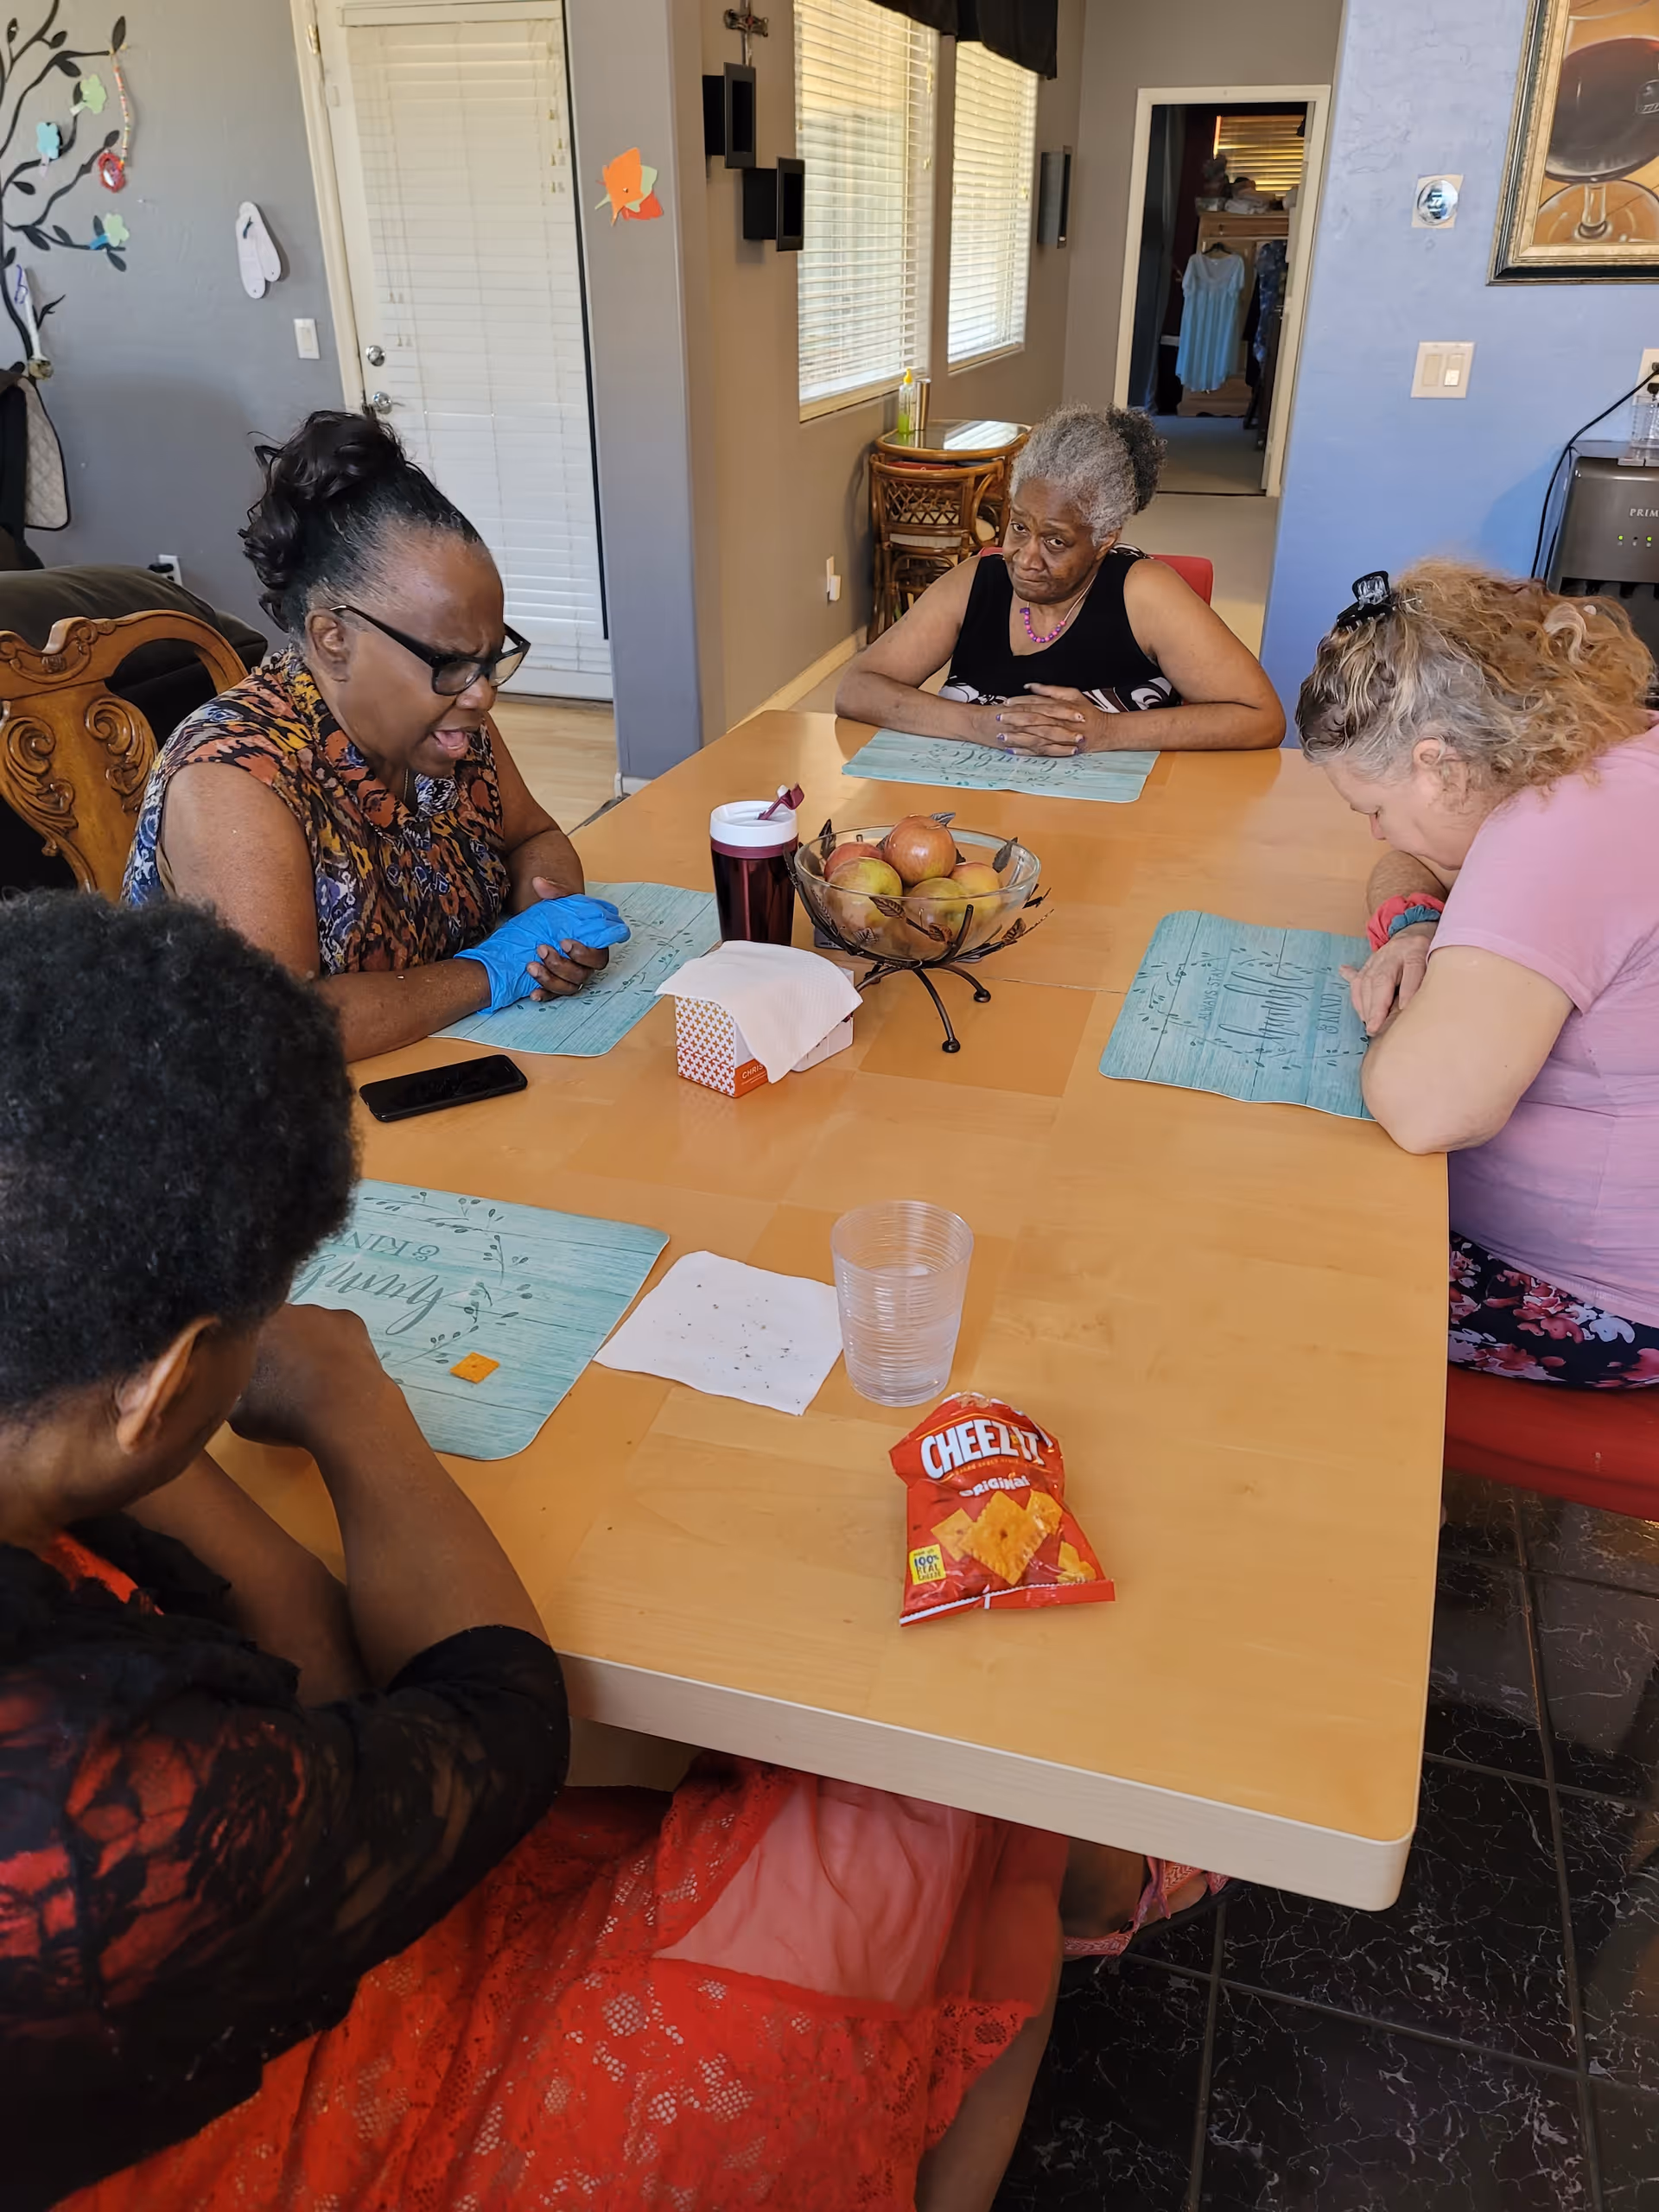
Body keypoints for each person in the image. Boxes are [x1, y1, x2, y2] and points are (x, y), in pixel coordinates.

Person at [0, 893, 1220, 2212]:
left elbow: (292, 1643)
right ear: (169, 1382)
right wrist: (356, 1407)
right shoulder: (86, 1808)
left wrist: (134, 1447)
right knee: (917, 1771)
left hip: (229, 1922)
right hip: (277, 2132)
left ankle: (1045, 1907)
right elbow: (496, 1730)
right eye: (260, 1312)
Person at [123, 409, 629, 1063]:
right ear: (334, 640)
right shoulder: (234, 778)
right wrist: (493, 969)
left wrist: (551, 928)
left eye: (489, 658)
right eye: (449, 662)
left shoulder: (444, 723)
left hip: (435, 1066)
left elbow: (532, 836)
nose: (483, 693)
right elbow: (282, 1026)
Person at [1299, 561, 1659, 1389]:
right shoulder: (1590, 752)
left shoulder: (1552, 833)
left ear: (1439, 765)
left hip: (1596, 1296)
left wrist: (1407, 1023)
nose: (1375, 832)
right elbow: (1406, 863)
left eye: (1374, 806)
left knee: (1274, 1258)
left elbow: (1425, 1110)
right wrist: (1421, 924)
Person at [835, 403, 1283, 754]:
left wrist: (1107, 731)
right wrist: (980, 725)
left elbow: (1261, 717)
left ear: (1105, 539)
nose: (1025, 558)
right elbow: (858, 688)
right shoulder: (975, 582)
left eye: (1055, 542)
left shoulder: (1145, 594)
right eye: (1019, 527)